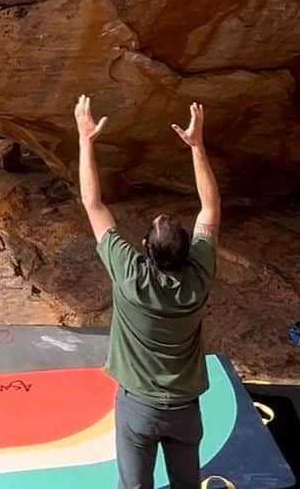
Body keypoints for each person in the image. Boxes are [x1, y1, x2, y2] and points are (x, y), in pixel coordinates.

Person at [75, 94, 220, 489]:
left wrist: (86, 139)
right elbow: (209, 207)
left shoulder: (131, 276)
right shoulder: (200, 273)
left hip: (138, 406)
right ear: (189, 250)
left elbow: (92, 202)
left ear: (144, 249)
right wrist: (197, 147)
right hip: (185, 410)